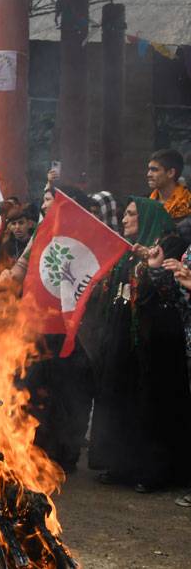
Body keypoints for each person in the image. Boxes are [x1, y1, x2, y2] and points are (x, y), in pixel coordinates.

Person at [85, 198, 191, 491]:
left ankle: (154, 470)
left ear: (147, 217)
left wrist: (151, 265)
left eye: (131, 214)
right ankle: (122, 464)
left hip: (156, 337)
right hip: (125, 336)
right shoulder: (128, 251)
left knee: (152, 401)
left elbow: (166, 291)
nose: (125, 219)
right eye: (125, 213)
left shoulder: (169, 245)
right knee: (122, 398)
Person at [147, 148, 191, 240]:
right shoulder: (146, 204)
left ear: (171, 173)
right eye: (149, 169)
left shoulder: (188, 203)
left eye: (154, 170)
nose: (149, 174)